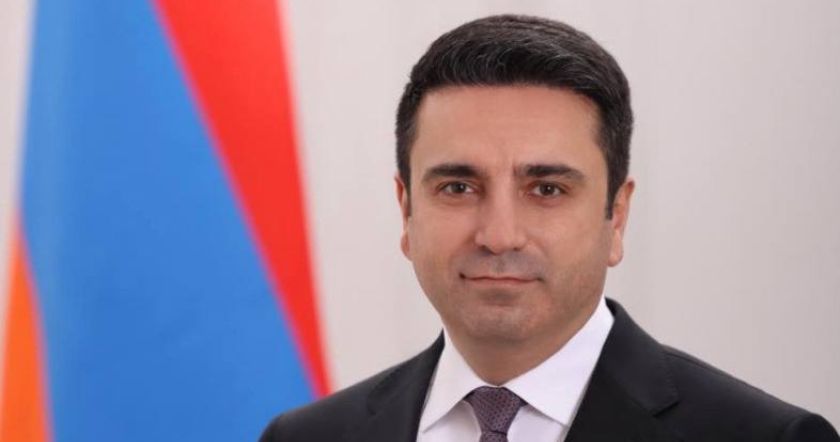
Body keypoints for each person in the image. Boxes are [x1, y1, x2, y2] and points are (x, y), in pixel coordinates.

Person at [260, 14, 839, 442]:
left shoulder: (767, 438)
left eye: (547, 190)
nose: (499, 235)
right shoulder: (305, 438)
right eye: (458, 188)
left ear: (616, 216)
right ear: (406, 212)